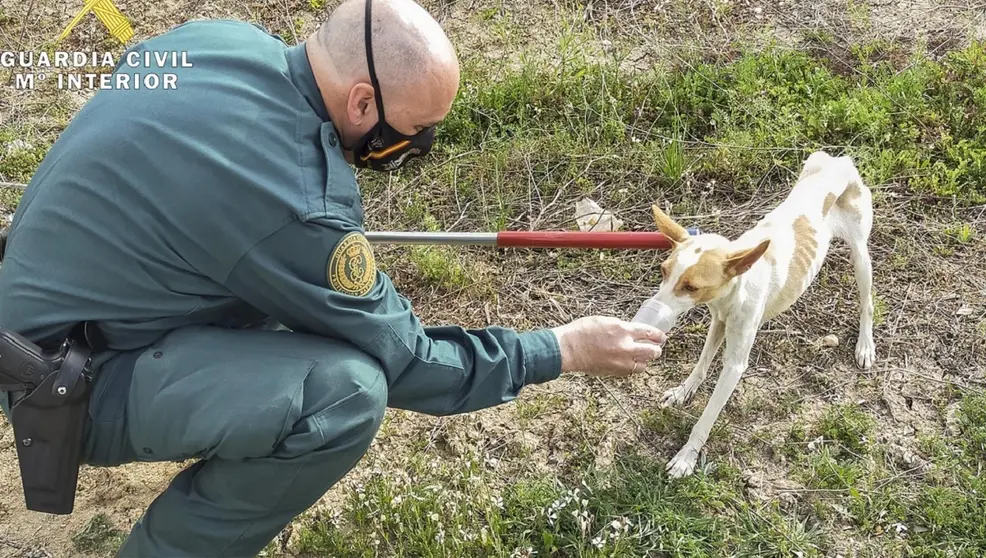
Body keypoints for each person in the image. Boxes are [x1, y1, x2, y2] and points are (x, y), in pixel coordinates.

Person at [0, 0, 667, 555]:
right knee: (345, 394)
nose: (419, 148)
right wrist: (563, 349)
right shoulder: (295, 202)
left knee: (288, 308)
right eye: (417, 131)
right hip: (61, 384)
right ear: (362, 101)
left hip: (35, 314)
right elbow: (411, 361)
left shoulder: (215, 39)